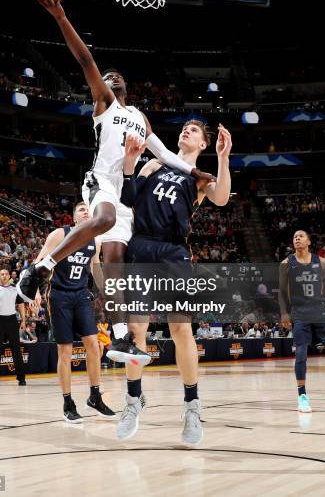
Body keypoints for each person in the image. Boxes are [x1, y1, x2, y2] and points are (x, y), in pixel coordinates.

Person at [18, 0, 216, 365]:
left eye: (115, 76)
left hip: (127, 195)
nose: (110, 77)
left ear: (127, 86)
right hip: (101, 182)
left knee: (117, 264)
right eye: (106, 77)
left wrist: (196, 171)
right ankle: (41, 268)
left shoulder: (141, 117)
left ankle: (123, 336)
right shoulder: (104, 104)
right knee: (103, 218)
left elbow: (165, 155)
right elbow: (85, 59)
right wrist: (60, 16)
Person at [115, 120, 232, 445]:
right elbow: (128, 198)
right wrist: (130, 163)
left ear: (204, 143)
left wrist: (223, 158)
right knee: (136, 328)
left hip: (172, 251)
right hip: (141, 244)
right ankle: (133, 400)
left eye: (195, 130)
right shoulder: (155, 162)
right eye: (184, 128)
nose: (186, 131)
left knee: (180, 328)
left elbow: (221, 198)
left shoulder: (198, 178)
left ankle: (192, 405)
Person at [34, 202, 115, 422]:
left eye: (88, 208)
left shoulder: (95, 241)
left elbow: (95, 269)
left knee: (94, 346)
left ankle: (95, 396)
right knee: (66, 352)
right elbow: (38, 261)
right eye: (81, 209)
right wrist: (35, 292)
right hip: (59, 296)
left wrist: (108, 291)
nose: (86, 211)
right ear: (74, 217)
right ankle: (68, 402)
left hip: (81, 296)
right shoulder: (60, 234)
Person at [279, 230, 325, 413]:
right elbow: (282, 292)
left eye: (300, 236)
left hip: (320, 312)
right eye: (294, 237)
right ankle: (302, 397)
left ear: (308, 241)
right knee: (300, 355)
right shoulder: (286, 264)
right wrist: (284, 313)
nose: (297, 238)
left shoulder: (321, 262)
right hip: (299, 313)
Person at [0, 268, 27, 387]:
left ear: (9, 276)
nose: (4, 276)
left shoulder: (15, 289)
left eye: (6, 274)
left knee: (16, 350)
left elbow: (21, 304)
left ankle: (21, 378)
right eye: (2, 274)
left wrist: (23, 320)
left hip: (12, 320)